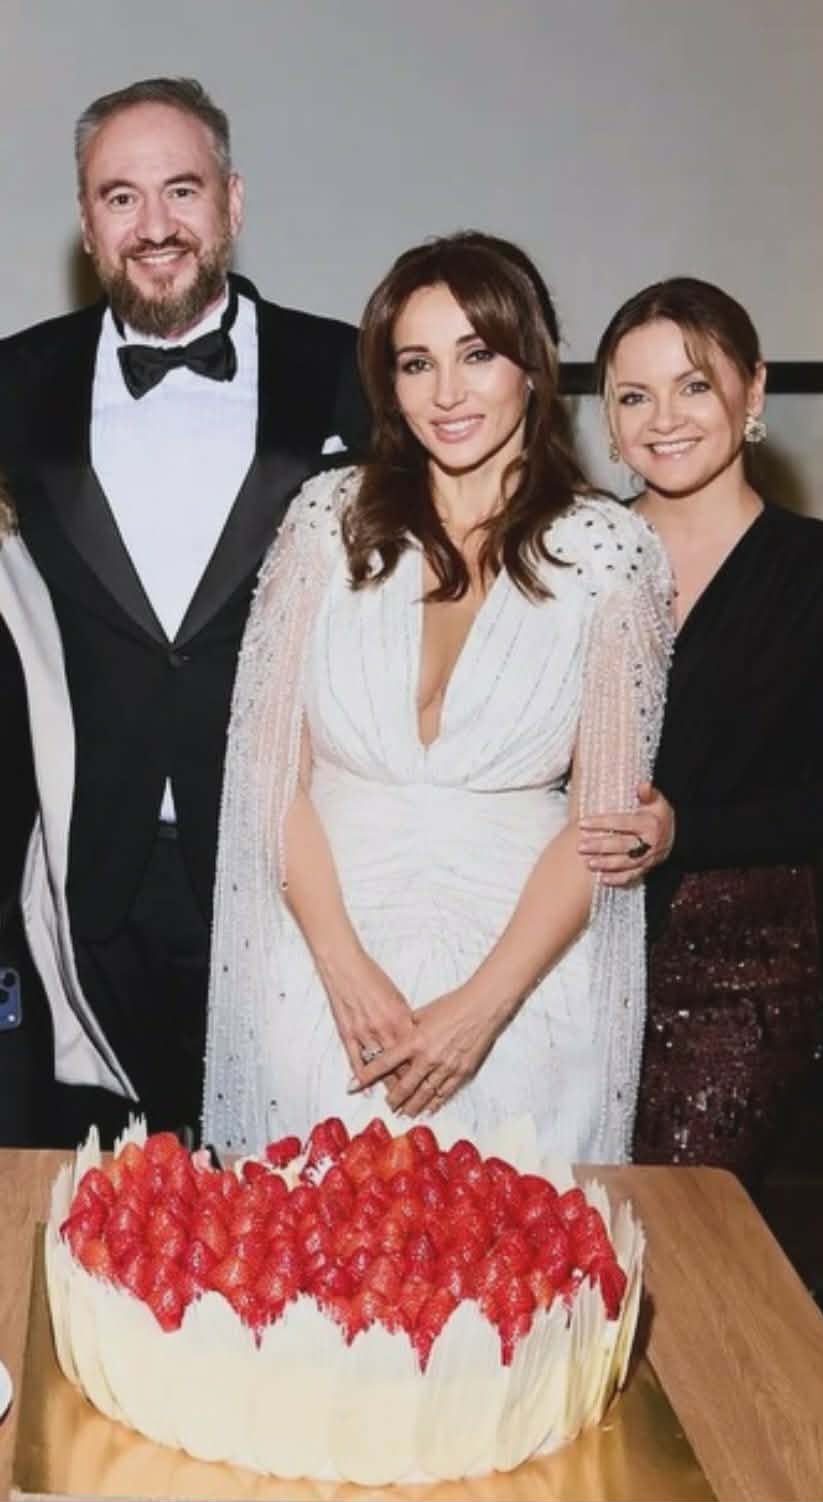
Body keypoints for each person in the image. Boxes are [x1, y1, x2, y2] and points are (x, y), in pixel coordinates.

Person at [203, 232, 675, 1158]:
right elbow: (268, 779)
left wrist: (480, 1011)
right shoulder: (325, 522)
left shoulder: (610, 553)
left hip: (524, 989)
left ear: (532, 366)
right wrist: (342, 970)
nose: (447, 393)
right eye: (416, 363)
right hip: (319, 973)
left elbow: (601, 830)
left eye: (477, 355)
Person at [0, 77, 367, 1143]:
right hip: (87, 865)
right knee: (117, 1186)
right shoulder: (17, 380)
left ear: (233, 201)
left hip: (288, 857)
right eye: (120, 197)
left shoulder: (346, 369)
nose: (154, 225)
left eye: (182, 190)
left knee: (281, 1174)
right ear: (86, 222)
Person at [579, 276, 823, 1184]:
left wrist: (686, 830)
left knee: (682, 1232)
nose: (664, 420)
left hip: (731, 972)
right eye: (634, 396)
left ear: (752, 391)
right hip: (562, 955)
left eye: (694, 386)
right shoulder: (571, 554)